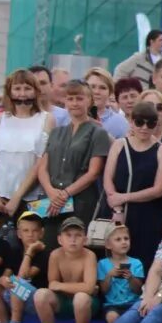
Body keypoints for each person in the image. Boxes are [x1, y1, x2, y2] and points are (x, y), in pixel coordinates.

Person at [102, 102, 162, 269]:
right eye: (140, 122)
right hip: (117, 213)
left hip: (147, 216)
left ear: (157, 125)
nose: (144, 127)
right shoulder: (119, 144)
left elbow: (158, 190)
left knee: (143, 264)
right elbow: (107, 178)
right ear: (131, 122)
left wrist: (123, 197)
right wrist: (117, 208)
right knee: (114, 263)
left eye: (150, 123)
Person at [37, 80, 112, 227]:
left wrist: (65, 194)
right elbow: (42, 168)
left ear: (89, 100)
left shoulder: (98, 132)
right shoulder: (56, 132)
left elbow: (93, 172)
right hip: (51, 201)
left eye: (79, 98)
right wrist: (51, 192)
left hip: (80, 201)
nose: (74, 103)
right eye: (70, 99)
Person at [0, 70, 51, 220]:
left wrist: (17, 197)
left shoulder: (46, 119)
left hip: (31, 197)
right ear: (10, 91)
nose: (22, 93)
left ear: (36, 91)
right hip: (0, 196)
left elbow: (40, 162)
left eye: (27, 88)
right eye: (17, 88)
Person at [0, 210, 47, 323]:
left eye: (35, 231)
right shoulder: (15, 252)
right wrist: (3, 280)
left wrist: (30, 252)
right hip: (15, 298)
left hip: (37, 302)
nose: (30, 234)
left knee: (18, 282)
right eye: (25, 231)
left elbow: (24, 276)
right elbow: (6, 275)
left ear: (41, 233)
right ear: (19, 234)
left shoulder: (44, 254)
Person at [34, 216, 97, 323]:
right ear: (59, 240)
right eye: (68, 235)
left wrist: (60, 285)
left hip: (87, 303)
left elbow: (88, 288)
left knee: (81, 297)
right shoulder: (55, 255)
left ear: (85, 239)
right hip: (62, 301)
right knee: (40, 294)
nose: (73, 240)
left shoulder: (89, 255)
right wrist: (58, 285)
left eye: (78, 235)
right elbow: (52, 284)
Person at [97, 223, 145, 323]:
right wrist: (109, 275)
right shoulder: (102, 264)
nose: (123, 242)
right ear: (108, 245)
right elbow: (104, 291)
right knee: (112, 317)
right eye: (118, 239)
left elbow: (138, 290)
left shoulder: (136, 263)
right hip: (112, 305)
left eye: (126, 238)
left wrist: (131, 278)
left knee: (136, 315)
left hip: (133, 304)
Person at [86, 68, 127, 140]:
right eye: (92, 87)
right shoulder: (69, 117)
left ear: (110, 93)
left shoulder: (119, 122)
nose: (96, 92)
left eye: (102, 88)